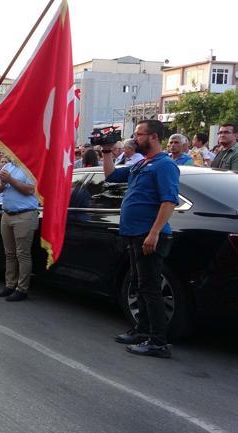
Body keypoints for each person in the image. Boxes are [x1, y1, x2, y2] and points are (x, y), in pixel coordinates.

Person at [103, 119, 178, 359]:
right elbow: (111, 176)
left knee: (151, 288)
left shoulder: (164, 165)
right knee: (138, 285)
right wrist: (106, 150)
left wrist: (154, 232)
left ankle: (158, 342)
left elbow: (169, 201)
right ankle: (142, 330)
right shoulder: (141, 164)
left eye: (139, 134)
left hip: (149, 235)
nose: (135, 139)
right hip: (134, 234)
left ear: (153, 137)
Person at [0, 156, 39, 302]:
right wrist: (4, 182)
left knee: (22, 254)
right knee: (9, 253)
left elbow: (30, 190)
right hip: (7, 214)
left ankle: (22, 289)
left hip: (24, 215)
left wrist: (10, 180)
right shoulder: (7, 167)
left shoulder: (30, 167)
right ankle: (10, 285)